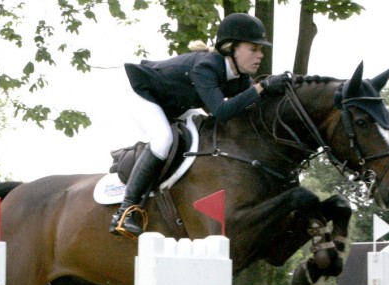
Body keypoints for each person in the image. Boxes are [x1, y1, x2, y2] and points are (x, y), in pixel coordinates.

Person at [109, 12, 292, 237]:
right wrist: (262, 87)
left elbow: (247, 107)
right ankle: (126, 210)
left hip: (176, 103)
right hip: (144, 95)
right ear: (231, 48)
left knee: (203, 133)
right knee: (163, 140)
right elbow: (222, 111)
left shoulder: (240, 76)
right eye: (253, 49)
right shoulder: (206, 66)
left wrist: (274, 91)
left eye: (261, 50)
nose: (260, 55)